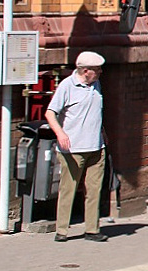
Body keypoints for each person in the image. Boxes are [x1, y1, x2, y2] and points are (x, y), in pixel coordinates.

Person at [45, 51, 108, 242]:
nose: (100, 73)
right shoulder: (67, 86)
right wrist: (60, 133)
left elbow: (95, 112)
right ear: (85, 71)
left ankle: (92, 230)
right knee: (68, 189)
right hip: (73, 149)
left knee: (94, 189)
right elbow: (50, 113)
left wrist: (103, 132)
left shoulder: (95, 84)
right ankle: (62, 230)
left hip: (96, 147)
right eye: (97, 70)